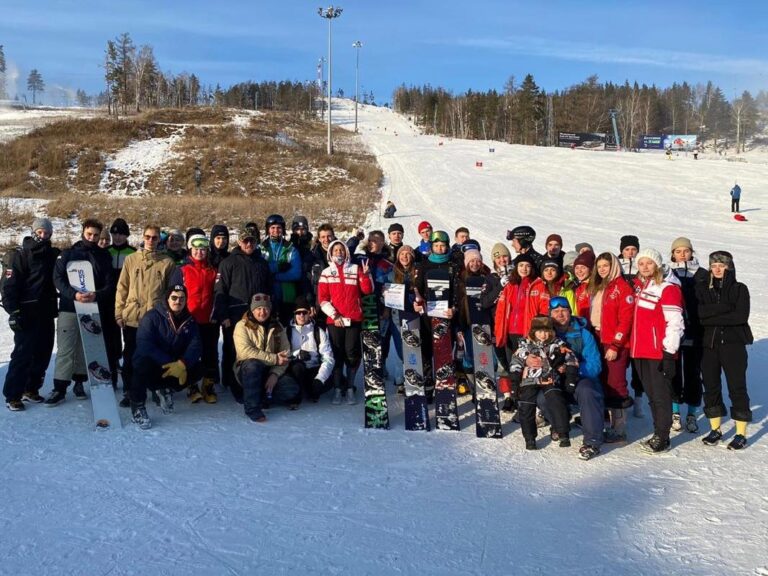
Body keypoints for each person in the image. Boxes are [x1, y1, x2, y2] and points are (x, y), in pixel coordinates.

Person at [45, 219, 115, 406]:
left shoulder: (103, 256)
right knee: (66, 348)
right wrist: (74, 294)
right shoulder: (68, 253)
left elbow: (110, 284)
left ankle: (79, 383)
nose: (92, 238)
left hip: (92, 308)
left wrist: (96, 295)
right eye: (89, 234)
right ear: (83, 232)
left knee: (87, 348)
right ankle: (59, 388)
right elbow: (57, 279)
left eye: (96, 235)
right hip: (69, 307)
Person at [115, 224, 177, 408]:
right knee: (131, 356)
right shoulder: (131, 259)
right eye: (148, 237)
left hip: (155, 320)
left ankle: (155, 388)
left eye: (155, 237)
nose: (151, 240)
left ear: (160, 239)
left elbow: (171, 293)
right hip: (133, 317)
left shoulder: (167, 262)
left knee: (155, 356)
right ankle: (130, 391)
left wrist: (168, 316)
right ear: (143, 237)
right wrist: (119, 313)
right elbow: (122, 288)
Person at [630, 248, 685, 454]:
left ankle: (663, 437)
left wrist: (669, 352)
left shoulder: (668, 288)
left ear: (657, 265)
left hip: (658, 351)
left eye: (649, 263)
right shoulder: (640, 287)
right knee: (652, 395)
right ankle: (658, 432)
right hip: (640, 351)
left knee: (660, 395)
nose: (645, 267)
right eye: (641, 263)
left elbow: (675, 323)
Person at [696, 251, 753, 450]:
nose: (718, 269)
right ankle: (715, 429)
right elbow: (699, 315)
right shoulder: (703, 288)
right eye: (714, 265)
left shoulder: (739, 289)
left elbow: (740, 317)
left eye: (722, 265)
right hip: (709, 346)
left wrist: (712, 313)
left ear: (729, 267)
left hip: (733, 345)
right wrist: (725, 308)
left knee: (737, 387)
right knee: (711, 386)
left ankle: (740, 433)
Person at [2, 218, 60, 411]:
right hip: (26, 312)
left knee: (43, 353)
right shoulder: (20, 254)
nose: (44, 235)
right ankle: (13, 395)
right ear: (34, 231)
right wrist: (14, 311)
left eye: (47, 232)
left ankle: (31, 388)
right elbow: (9, 286)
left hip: (46, 311)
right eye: (41, 231)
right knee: (22, 354)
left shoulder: (52, 254)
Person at [213, 223, 272, 402]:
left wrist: (270, 310)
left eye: (252, 241)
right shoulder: (229, 262)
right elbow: (220, 290)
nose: (249, 244)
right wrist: (223, 315)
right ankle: (232, 383)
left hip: (258, 314)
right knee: (233, 350)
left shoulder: (261, 263)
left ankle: (252, 383)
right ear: (239, 241)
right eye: (245, 241)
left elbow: (269, 288)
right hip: (235, 315)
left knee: (255, 350)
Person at [129, 284, 202, 429]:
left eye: (182, 298)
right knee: (141, 364)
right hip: (154, 365)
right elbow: (144, 345)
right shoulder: (152, 317)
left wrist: (182, 363)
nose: (177, 301)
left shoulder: (190, 320)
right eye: (174, 297)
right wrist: (170, 363)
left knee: (199, 367)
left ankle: (166, 389)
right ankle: (137, 407)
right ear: (167, 299)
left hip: (174, 365)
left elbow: (196, 345)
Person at [585, 252, 635, 442]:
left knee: (616, 382)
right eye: (600, 266)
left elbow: (626, 319)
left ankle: (620, 428)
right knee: (602, 378)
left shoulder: (622, 287)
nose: (603, 269)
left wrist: (615, 344)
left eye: (606, 265)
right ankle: (606, 418)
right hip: (598, 336)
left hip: (614, 340)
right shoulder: (599, 286)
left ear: (614, 265)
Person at [549, 296, 606, 461]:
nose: (560, 314)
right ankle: (560, 424)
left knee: (588, 391)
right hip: (556, 379)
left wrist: (572, 370)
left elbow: (595, 365)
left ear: (570, 312)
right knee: (543, 394)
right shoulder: (544, 334)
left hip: (581, 378)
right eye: (556, 311)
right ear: (550, 314)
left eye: (564, 310)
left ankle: (592, 441)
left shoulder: (583, 334)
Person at [318, 239, 374, 404]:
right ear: (330, 253)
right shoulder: (326, 272)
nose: (339, 253)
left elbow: (367, 290)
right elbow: (322, 299)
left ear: (346, 252)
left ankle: (350, 387)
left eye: (341, 250)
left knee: (352, 354)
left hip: (354, 319)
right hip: (334, 321)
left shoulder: (356, 269)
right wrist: (335, 316)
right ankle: (337, 388)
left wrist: (366, 274)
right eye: (335, 250)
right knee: (337, 355)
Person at [509, 315, 576, 451]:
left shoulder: (557, 344)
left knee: (556, 401)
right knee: (526, 406)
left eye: (546, 331)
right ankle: (530, 438)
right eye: (539, 331)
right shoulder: (525, 345)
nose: (543, 335)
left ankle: (562, 433)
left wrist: (570, 379)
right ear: (533, 332)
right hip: (529, 380)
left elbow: (571, 359)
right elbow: (515, 363)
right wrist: (515, 384)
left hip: (549, 379)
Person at [234, 293, 300, 423]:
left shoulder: (278, 327)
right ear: (252, 310)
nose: (262, 312)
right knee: (253, 365)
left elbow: (285, 353)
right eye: (258, 308)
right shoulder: (242, 326)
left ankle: (261, 396)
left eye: (266, 309)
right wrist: (274, 358)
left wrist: (275, 374)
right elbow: (245, 352)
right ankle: (252, 408)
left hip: (269, 371)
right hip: (248, 371)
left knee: (291, 389)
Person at [171, 233, 219, 404]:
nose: (199, 252)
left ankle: (208, 385)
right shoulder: (182, 270)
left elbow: (218, 294)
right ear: (190, 249)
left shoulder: (213, 270)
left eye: (203, 249)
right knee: (190, 354)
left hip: (208, 320)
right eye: (196, 249)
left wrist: (216, 313)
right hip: (189, 320)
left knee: (210, 354)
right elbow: (174, 295)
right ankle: (191, 386)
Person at [667, 237, 708, 433]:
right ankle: (675, 412)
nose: (682, 254)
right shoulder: (668, 274)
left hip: (695, 330)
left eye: (686, 250)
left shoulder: (702, 274)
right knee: (673, 371)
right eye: (678, 251)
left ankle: (691, 413)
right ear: (672, 254)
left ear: (692, 252)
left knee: (693, 372)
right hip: (674, 330)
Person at [494, 253, 538, 411]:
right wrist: (499, 331)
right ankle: (511, 397)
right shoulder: (510, 285)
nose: (524, 269)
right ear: (516, 267)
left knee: (524, 367)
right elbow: (501, 310)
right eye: (521, 266)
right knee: (509, 367)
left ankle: (524, 399)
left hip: (526, 333)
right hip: (509, 332)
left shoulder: (536, 284)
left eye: (527, 266)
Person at [285, 295, 335, 401]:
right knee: (297, 368)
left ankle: (311, 389)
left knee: (327, 381)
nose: (301, 315)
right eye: (298, 313)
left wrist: (320, 378)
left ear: (309, 313)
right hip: (296, 369)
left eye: (304, 312)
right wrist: (297, 353)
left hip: (314, 368)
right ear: (294, 314)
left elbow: (328, 358)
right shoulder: (287, 331)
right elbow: (282, 354)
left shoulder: (318, 331)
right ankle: (296, 394)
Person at [618, 234, 644, 415]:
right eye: (627, 249)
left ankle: (639, 398)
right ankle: (621, 396)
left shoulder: (641, 266)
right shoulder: (617, 266)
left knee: (637, 364)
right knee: (620, 362)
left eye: (633, 249)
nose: (630, 253)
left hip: (638, 320)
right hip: (621, 319)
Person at [261, 214, 302, 325]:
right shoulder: (261, 248)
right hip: (267, 297)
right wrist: (278, 267)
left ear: (283, 229)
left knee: (286, 331)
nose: (276, 230)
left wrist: (275, 276)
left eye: (279, 228)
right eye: (272, 228)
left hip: (287, 296)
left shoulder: (290, 249)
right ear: (268, 230)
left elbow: (296, 273)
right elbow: (260, 270)